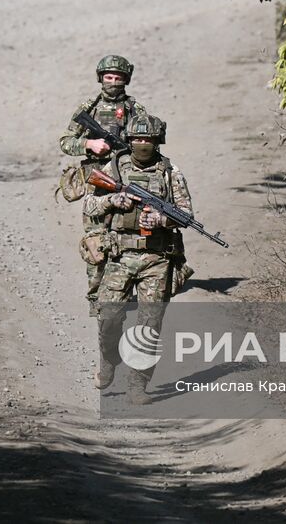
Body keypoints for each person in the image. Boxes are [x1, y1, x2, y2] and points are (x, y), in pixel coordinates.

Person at [91, 114, 195, 403]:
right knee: (109, 318)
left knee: (149, 327)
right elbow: (89, 204)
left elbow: (186, 216)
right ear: (129, 140)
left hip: (156, 259)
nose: (142, 144)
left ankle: (138, 385)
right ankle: (109, 359)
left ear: (157, 141)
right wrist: (112, 200)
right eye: (137, 139)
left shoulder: (170, 172)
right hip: (119, 255)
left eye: (148, 139)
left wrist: (162, 218)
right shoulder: (114, 168)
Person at [60, 55, 148, 316]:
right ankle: (96, 297)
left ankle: (123, 293)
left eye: (118, 78)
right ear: (100, 78)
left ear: (126, 80)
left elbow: (147, 144)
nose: (112, 82)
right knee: (96, 241)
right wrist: (89, 145)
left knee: (126, 239)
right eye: (108, 77)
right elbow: (65, 141)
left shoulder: (135, 110)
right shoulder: (90, 107)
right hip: (97, 184)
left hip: (125, 183)